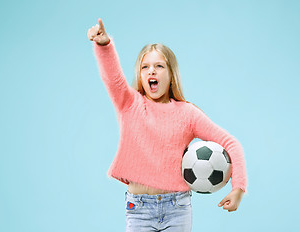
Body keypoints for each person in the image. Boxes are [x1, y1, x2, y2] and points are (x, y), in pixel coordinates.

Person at [87, 18, 247, 232]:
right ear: (140, 75)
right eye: (145, 67)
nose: (151, 71)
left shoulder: (187, 114)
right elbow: (113, 78)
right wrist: (104, 45)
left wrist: (238, 188)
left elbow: (230, 143)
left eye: (159, 66)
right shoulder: (129, 104)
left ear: (171, 75)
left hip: (177, 208)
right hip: (139, 210)